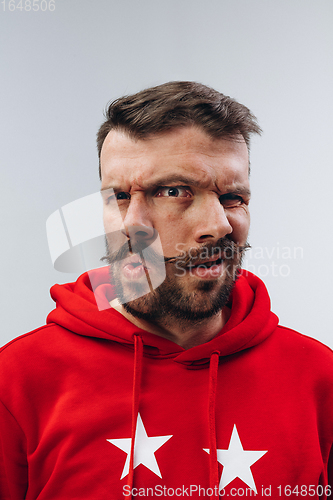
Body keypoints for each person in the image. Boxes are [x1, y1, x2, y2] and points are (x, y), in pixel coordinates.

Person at [0, 82, 332, 500]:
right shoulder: (15, 382)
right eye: (174, 191)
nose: (221, 225)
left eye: (232, 197)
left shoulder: (320, 379)